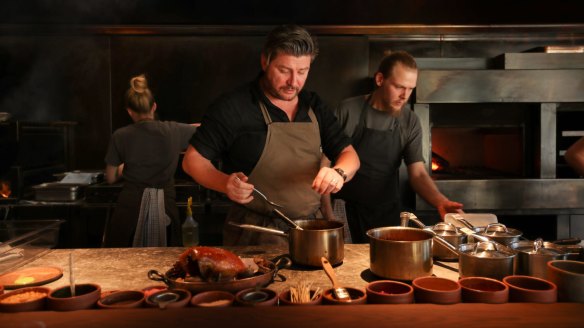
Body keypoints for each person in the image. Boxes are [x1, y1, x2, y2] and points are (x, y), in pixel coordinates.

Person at [182, 24, 360, 246]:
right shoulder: (234, 107)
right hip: (254, 232)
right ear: (265, 61)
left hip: (309, 230)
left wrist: (339, 173)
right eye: (284, 70)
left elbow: (349, 154)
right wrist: (225, 183)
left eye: (302, 71)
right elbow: (192, 161)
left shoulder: (314, 106)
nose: (293, 82)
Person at [332, 51, 463, 243]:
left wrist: (440, 201)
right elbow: (325, 162)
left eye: (410, 89)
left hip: (387, 212)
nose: (405, 96)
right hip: (347, 211)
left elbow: (418, 174)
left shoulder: (409, 120)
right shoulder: (348, 110)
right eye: (399, 87)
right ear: (379, 79)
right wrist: (328, 214)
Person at [104, 74, 198, 247]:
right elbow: (205, 130)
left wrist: (124, 167)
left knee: (122, 265)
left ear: (129, 111)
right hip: (166, 209)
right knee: (165, 264)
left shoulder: (120, 136)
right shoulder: (174, 130)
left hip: (129, 212)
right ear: (154, 107)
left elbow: (110, 178)